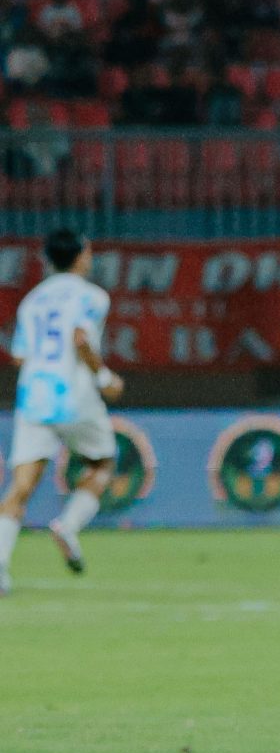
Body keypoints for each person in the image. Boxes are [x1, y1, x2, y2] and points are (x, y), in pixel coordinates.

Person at [1, 229, 124, 594]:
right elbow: (80, 338)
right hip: (75, 396)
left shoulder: (31, 302)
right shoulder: (92, 297)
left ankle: (1, 567)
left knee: (21, 487)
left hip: (35, 396)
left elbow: (19, 356)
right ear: (82, 255)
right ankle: (68, 525)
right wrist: (103, 377)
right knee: (102, 463)